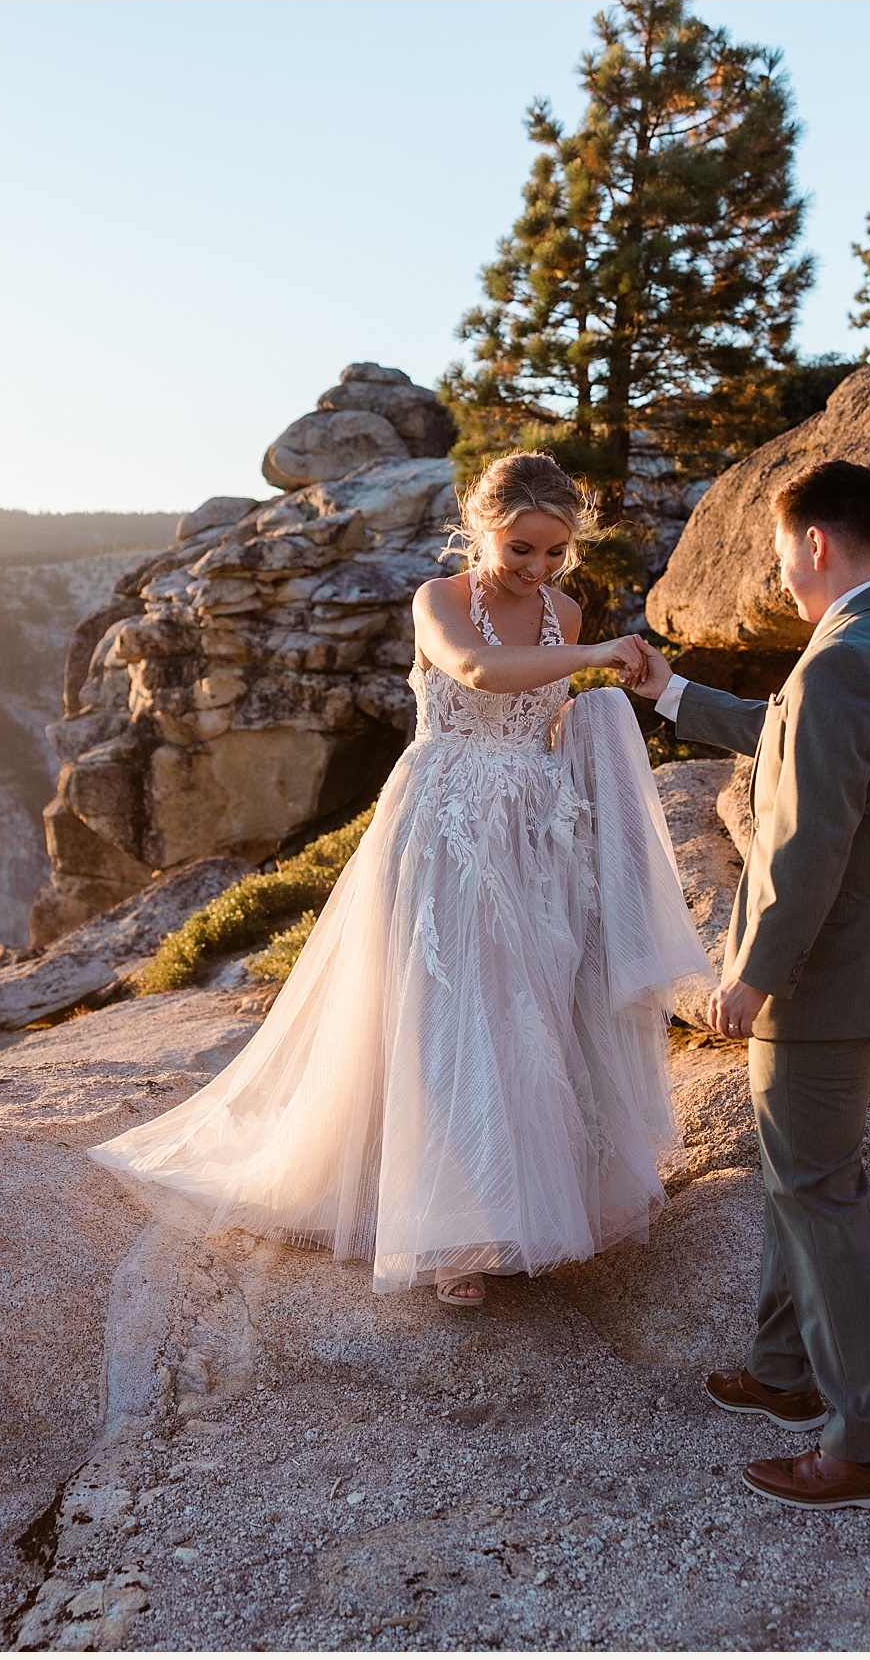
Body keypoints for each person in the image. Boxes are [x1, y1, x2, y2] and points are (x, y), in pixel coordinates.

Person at [88, 453, 712, 1309]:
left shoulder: (564, 609)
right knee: (449, 1006)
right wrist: (602, 653)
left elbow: (546, 716)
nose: (539, 568)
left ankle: (528, 1202)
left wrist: (598, 715)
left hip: (534, 829)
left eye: (555, 552)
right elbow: (482, 674)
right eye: (523, 547)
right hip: (447, 820)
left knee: (530, 1005)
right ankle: (451, 1226)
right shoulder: (440, 601)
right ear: (480, 523)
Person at [628, 459, 870, 1513]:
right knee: (800, 1172)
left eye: (780, 556)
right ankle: (780, 1369)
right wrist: (668, 693)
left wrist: (754, 978)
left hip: (827, 980)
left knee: (820, 1192)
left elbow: (809, 842)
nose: (781, 575)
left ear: (814, 543)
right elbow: (788, 736)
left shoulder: (844, 659)